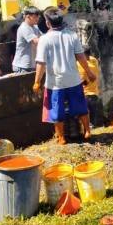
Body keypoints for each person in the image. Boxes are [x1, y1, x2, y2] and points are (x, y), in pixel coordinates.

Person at [33, 8, 96, 144]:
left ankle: (61, 137)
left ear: (48, 23)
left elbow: (41, 63)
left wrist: (37, 81)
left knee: (57, 110)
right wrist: (89, 72)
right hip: (73, 80)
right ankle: (87, 130)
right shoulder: (72, 35)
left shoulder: (44, 39)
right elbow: (80, 56)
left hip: (55, 83)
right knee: (80, 106)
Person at [12, 7, 42, 73]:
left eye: (38, 16)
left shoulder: (35, 27)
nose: (38, 18)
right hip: (22, 66)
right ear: (28, 16)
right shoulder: (24, 28)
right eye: (35, 16)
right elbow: (36, 41)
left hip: (31, 65)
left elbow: (42, 37)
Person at [78, 48, 103, 127]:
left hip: (85, 93)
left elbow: (83, 81)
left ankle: (89, 129)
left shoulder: (80, 64)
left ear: (84, 55)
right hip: (94, 93)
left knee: (86, 114)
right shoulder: (94, 60)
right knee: (92, 115)